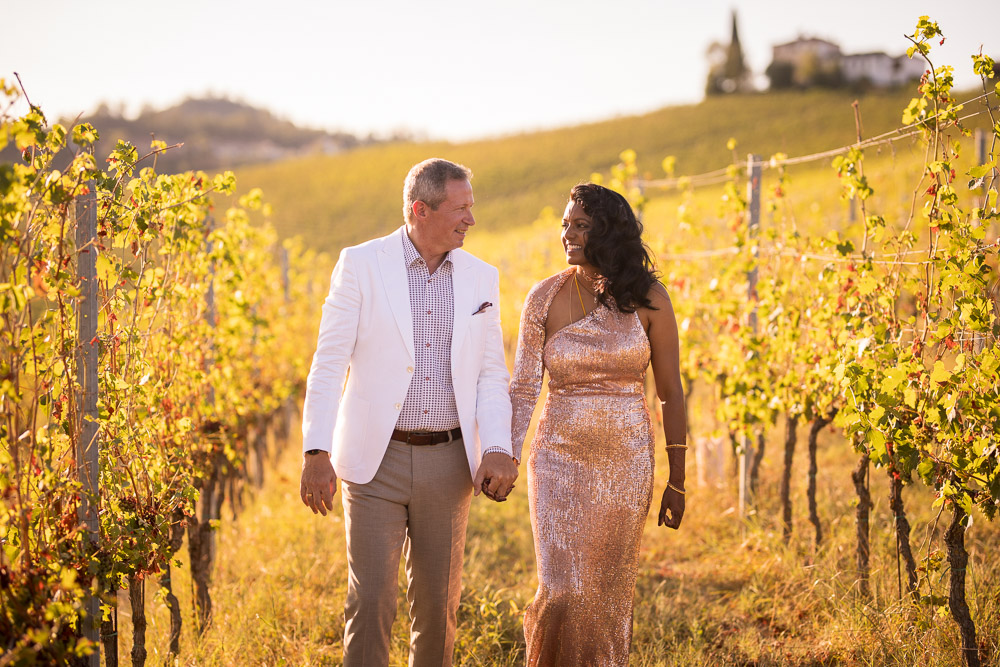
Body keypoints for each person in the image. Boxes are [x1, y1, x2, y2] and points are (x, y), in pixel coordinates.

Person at [299, 158, 518, 667]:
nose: (471, 219)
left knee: (438, 606)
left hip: (448, 463)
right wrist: (316, 449)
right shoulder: (360, 264)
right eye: (460, 209)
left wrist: (498, 446)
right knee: (373, 598)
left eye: (472, 207)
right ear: (420, 210)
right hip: (376, 460)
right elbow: (329, 362)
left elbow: (490, 373)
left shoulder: (481, 278)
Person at [510, 183, 687, 665]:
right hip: (557, 462)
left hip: (625, 464)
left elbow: (671, 392)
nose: (567, 233)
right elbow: (525, 387)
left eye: (580, 225)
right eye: (565, 223)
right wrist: (505, 454)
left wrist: (679, 481)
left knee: (603, 598)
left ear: (607, 231)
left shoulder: (650, 299)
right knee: (562, 589)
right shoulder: (543, 296)